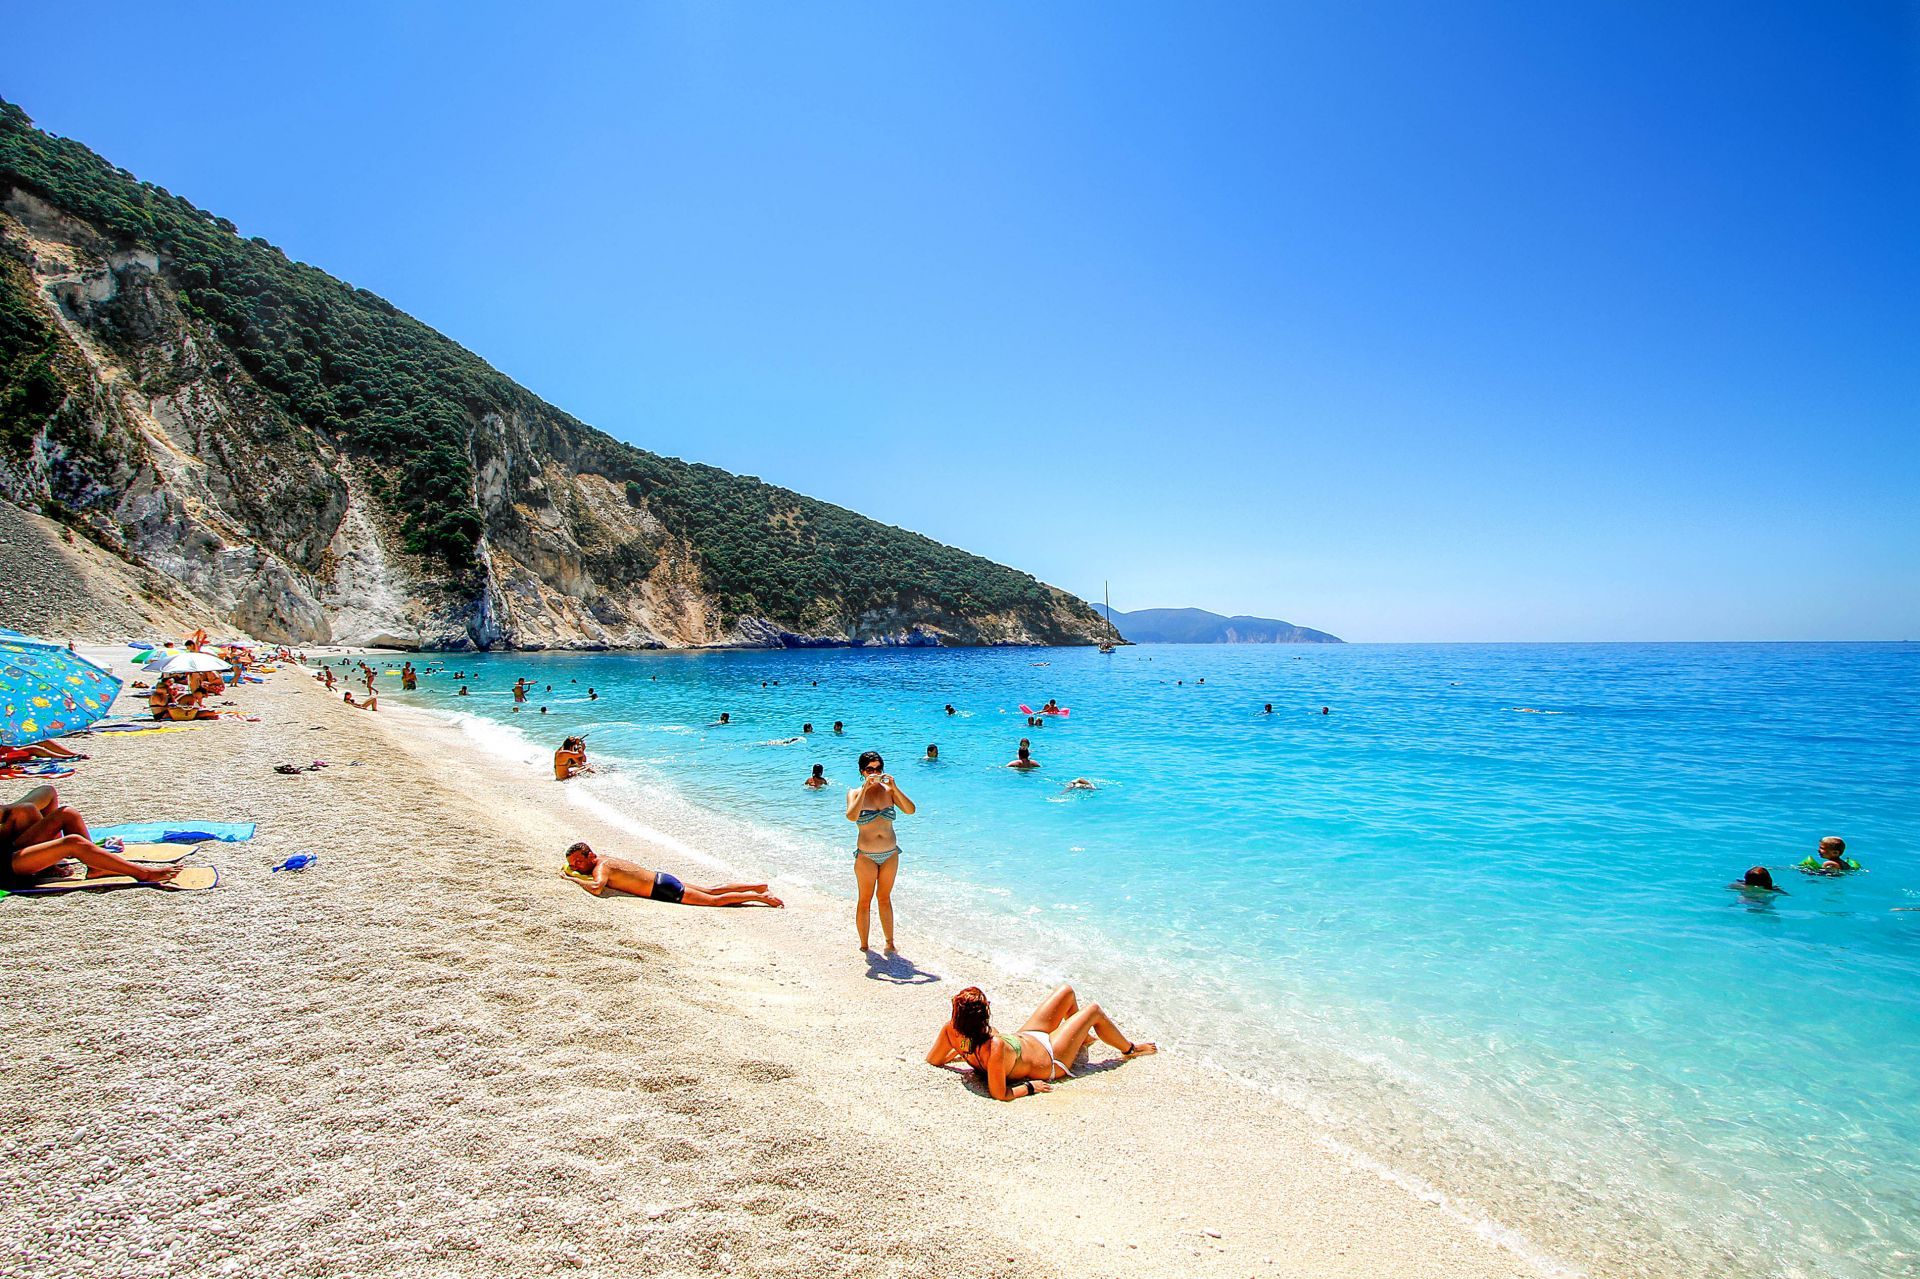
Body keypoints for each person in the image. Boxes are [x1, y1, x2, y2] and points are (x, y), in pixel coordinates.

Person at [926, 985, 1155, 1101]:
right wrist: (1030, 1087)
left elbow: (934, 1059)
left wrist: (960, 1053)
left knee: (1066, 991)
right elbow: (1000, 1093)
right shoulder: (993, 1047)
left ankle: (1082, 1039)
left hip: (1027, 1037)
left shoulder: (952, 1031)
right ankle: (1130, 1049)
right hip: (1051, 1057)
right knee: (1093, 1010)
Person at [2, 785, 179, 887]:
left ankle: (96, 867)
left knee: (66, 812)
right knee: (73, 843)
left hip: (8, 848)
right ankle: (144, 874)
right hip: (7, 865)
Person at [846, 751, 916, 953]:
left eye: (878, 769)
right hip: (866, 856)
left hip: (890, 854)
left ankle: (889, 942)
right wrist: (865, 789)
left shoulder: (889, 791)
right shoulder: (854, 793)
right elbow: (851, 816)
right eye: (870, 769)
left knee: (884, 898)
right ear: (862, 771)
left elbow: (910, 810)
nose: (874, 773)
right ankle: (864, 945)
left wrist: (895, 787)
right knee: (864, 900)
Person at [563, 843, 782, 907]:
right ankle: (757, 886)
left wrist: (572, 878)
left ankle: (760, 897)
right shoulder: (604, 859)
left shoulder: (600, 868)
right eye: (573, 865)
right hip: (662, 878)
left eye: (579, 862)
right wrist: (577, 871)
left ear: (591, 855)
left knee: (714, 901)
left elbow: (596, 888)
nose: (577, 866)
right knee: (711, 890)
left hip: (662, 889)